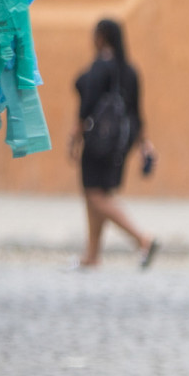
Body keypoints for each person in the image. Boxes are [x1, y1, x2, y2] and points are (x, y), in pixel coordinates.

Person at [69, 19, 158, 269]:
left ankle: (143, 239)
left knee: (95, 194)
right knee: (97, 192)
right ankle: (92, 254)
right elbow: (137, 112)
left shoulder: (100, 66)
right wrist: (144, 144)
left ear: (101, 37)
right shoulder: (130, 69)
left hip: (98, 141)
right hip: (121, 142)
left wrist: (75, 136)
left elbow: (86, 105)